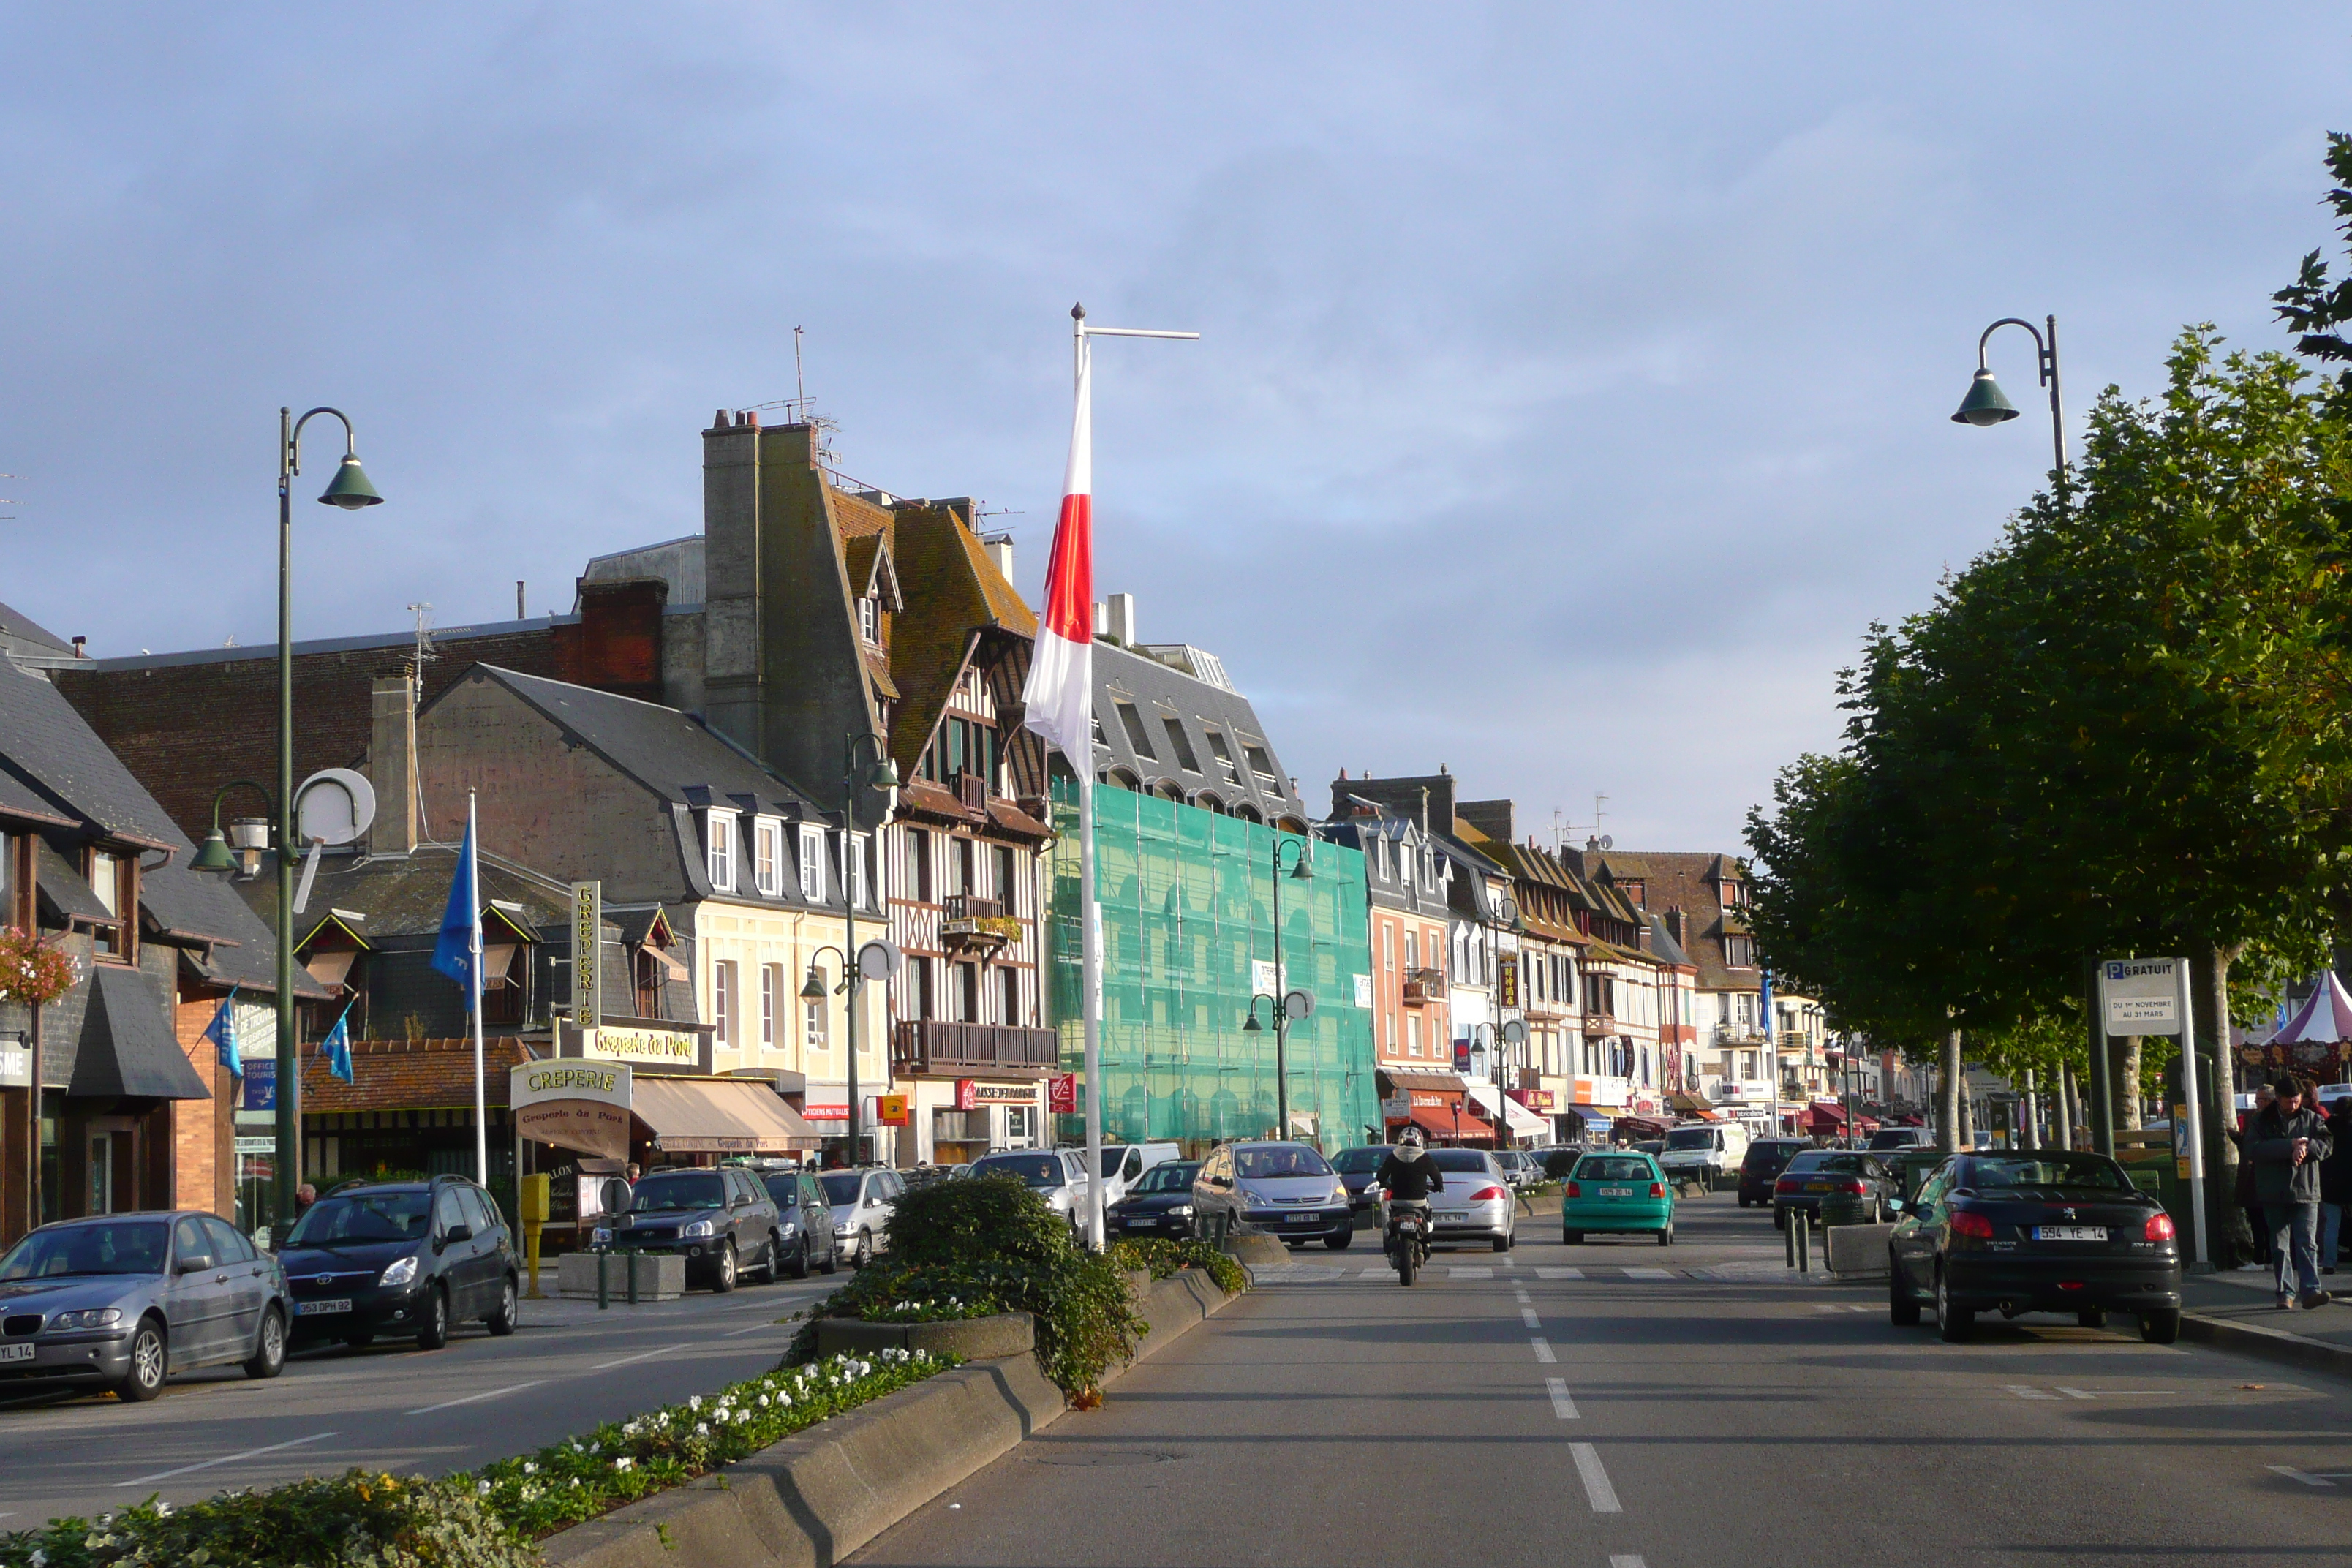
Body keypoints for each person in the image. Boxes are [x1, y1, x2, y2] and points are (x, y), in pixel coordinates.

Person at [2247, 1074, 2334, 1310]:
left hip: (2306, 1190)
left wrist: (2306, 1146)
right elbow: (2253, 1149)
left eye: (2296, 1100)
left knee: (2307, 1242)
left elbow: (2327, 1145)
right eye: (2288, 1101)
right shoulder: (2262, 1121)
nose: (2293, 1105)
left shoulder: (2313, 1119)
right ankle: (2285, 1292)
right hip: (2274, 1192)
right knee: (2279, 1245)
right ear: (2278, 1099)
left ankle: (2311, 1291)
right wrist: (2289, 1146)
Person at [2232, 1085, 2274, 1269]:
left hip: (2264, 1178)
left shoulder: (2269, 1121)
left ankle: (2265, 1257)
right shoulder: (2254, 1118)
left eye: (2261, 1099)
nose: (2257, 1103)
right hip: (2253, 1179)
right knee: (2257, 1220)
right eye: (2257, 1099)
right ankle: (2262, 1257)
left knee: (2264, 1222)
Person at [2321, 1092, 2352, 1277]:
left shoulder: (2327, 1129)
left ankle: (2329, 1263)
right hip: (2350, 1182)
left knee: (2331, 1225)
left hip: (2330, 1183)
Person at [1374, 1127, 1447, 1204]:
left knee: (1390, 1212)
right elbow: (1437, 1177)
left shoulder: (1393, 1157)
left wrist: (1387, 1185)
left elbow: (1381, 1177)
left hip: (1397, 1202)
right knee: (1427, 1211)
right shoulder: (1425, 1158)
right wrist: (1438, 1187)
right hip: (1419, 1202)